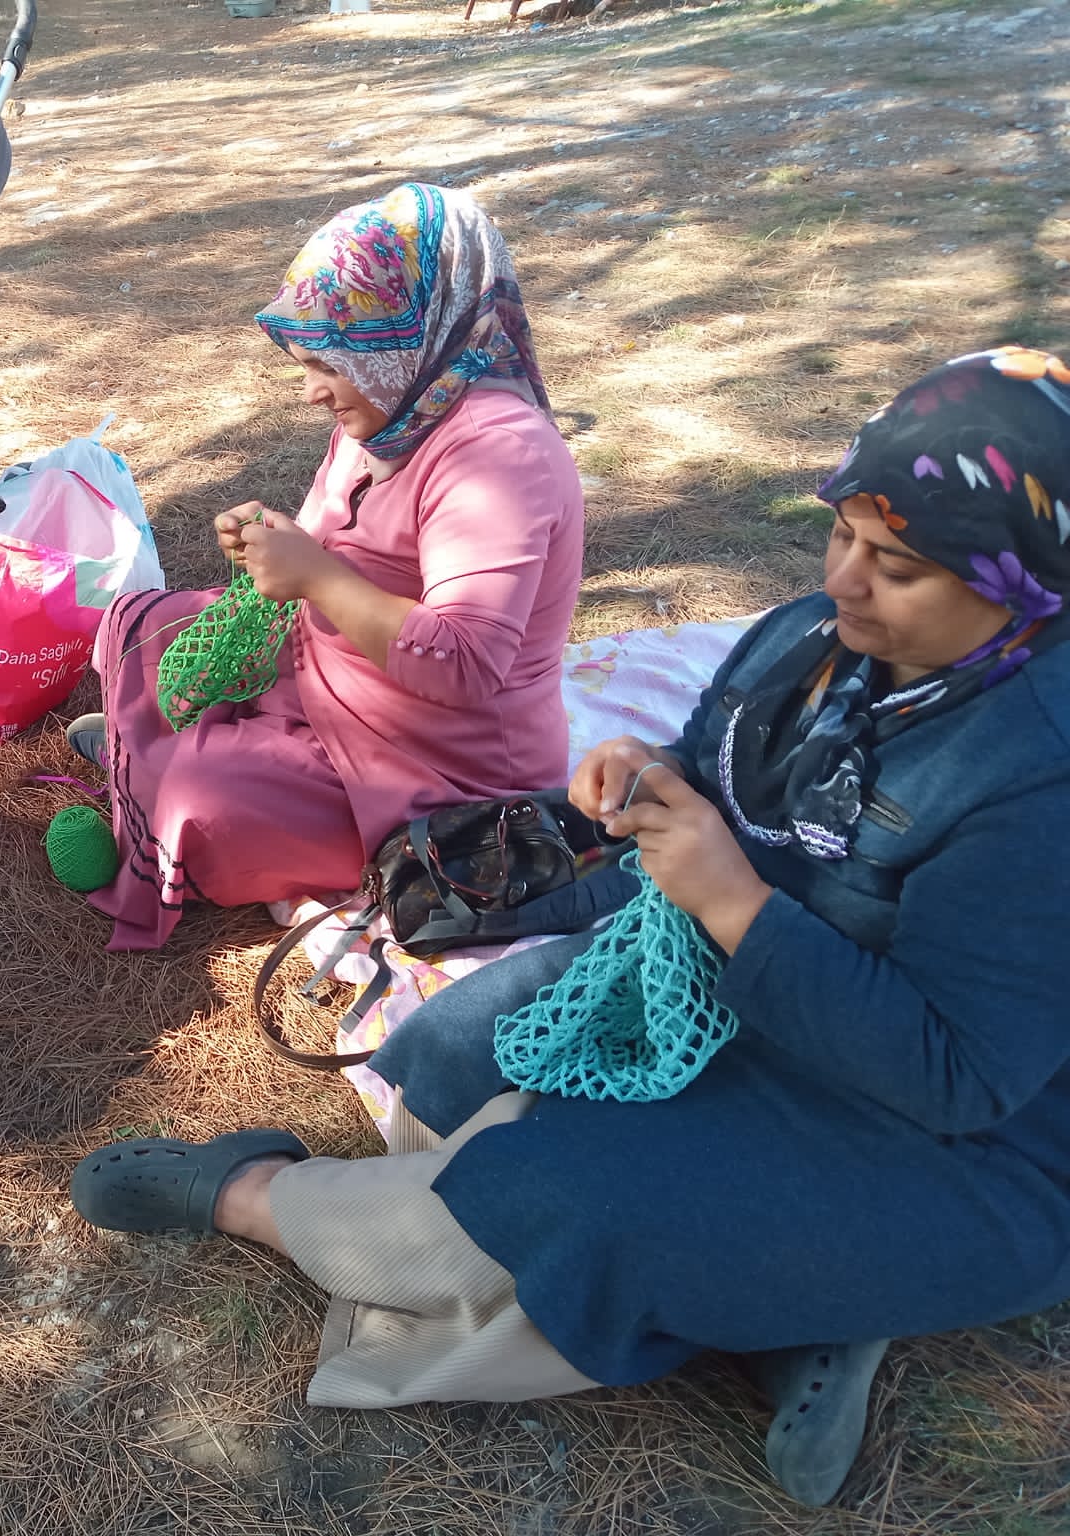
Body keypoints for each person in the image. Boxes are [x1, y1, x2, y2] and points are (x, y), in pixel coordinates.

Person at [69, 348, 1070, 1505]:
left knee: (562, 1203)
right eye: (839, 533)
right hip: (748, 992)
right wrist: (646, 772)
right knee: (446, 1059)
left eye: (892, 565)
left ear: (1018, 585)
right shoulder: (816, 640)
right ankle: (804, 1302)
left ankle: (250, 1193)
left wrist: (733, 902)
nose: (843, 578)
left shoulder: (1034, 778)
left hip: (945, 1135)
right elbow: (715, 765)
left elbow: (957, 1077)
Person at [65, 183, 584, 950]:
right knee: (136, 624)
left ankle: (160, 771)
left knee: (198, 798)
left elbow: (467, 663)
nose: (311, 392)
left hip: (435, 762)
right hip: (334, 673)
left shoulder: (499, 456)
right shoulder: (396, 407)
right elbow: (337, 540)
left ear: (397, 341)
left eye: (327, 365)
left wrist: (316, 578)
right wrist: (270, 543)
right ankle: (157, 762)